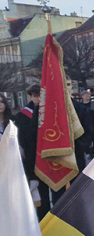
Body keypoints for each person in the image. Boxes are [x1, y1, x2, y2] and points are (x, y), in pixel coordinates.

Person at [15, 84, 50, 220]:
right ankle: (43, 220)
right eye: (35, 96)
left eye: (40, 95)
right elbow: (23, 141)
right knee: (41, 195)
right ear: (30, 97)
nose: (38, 99)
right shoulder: (23, 116)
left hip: (50, 157)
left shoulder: (49, 112)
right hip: (34, 158)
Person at [81, 91, 94, 160]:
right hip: (84, 127)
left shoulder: (93, 105)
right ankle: (87, 152)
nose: (87, 96)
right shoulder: (80, 106)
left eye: (89, 94)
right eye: (86, 94)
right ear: (82, 96)